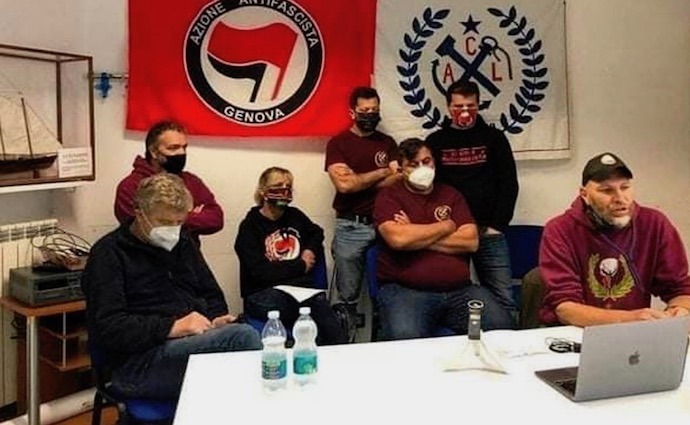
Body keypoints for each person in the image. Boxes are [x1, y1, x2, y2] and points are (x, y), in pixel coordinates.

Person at [83, 174, 261, 400]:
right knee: (242, 341)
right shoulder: (109, 254)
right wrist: (173, 327)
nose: (173, 230)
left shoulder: (183, 242)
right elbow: (110, 328)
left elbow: (211, 293)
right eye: (165, 222)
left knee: (246, 341)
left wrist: (215, 319)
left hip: (187, 345)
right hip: (135, 364)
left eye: (179, 223)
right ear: (140, 214)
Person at [373, 138, 514, 340]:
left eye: (426, 161)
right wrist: (445, 226)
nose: (422, 168)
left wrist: (415, 234)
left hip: (460, 291)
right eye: (413, 165)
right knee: (405, 338)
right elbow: (399, 240)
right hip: (407, 292)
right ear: (402, 170)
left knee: (502, 327)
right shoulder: (389, 197)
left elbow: (470, 242)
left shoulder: (451, 195)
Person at [539, 152, 690, 326]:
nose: (620, 198)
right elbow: (565, 308)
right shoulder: (560, 229)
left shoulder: (654, 223)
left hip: (634, 333)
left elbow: (679, 288)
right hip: (575, 331)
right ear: (584, 195)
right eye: (606, 190)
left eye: (625, 187)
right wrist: (631, 319)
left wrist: (679, 310)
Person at [426, 80, 519, 316]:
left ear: (478, 105)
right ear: (449, 107)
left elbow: (509, 183)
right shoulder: (435, 141)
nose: (465, 111)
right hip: (451, 233)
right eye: (458, 106)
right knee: (449, 294)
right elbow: (429, 186)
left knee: (503, 297)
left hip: (488, 231)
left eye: (470, 105)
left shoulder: (495, 138)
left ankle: (506, 336)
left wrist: (498, 225)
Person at [234, 167, 347, 345]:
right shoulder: (249, 227)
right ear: (263, 191)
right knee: (316, 307)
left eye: (288, 186)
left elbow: (316, 232)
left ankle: (337, 349)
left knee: (319, 306)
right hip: (263, 293)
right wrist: (300, 265)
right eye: (278, 185)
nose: (284, 190)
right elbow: (261, 272)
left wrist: (309, 250)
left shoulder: (295, 216)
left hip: (301, 291)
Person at [324, 86, 400, 337]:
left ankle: (386, 340)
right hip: (351, 226)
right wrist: (382, 172)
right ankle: (344, 345)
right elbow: (345, 185)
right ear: (352, 112)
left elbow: (399, 178)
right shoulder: (338, 143)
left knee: (391, 289)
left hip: (385, 224)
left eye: (374, 110)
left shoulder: (387, 143)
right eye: (365, 110)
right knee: (347, 298)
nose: (370, 114)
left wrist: (360, 180)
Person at [114, 120, 223, 245]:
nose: (181, 153)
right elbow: (141, 227)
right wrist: (189, 215)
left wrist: (166, 219)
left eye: (184, 147)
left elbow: (216, 220)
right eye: (173, 148)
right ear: (154, 152)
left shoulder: (191, 181)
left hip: (187, 255)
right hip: (143, 255)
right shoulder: (130, 186)